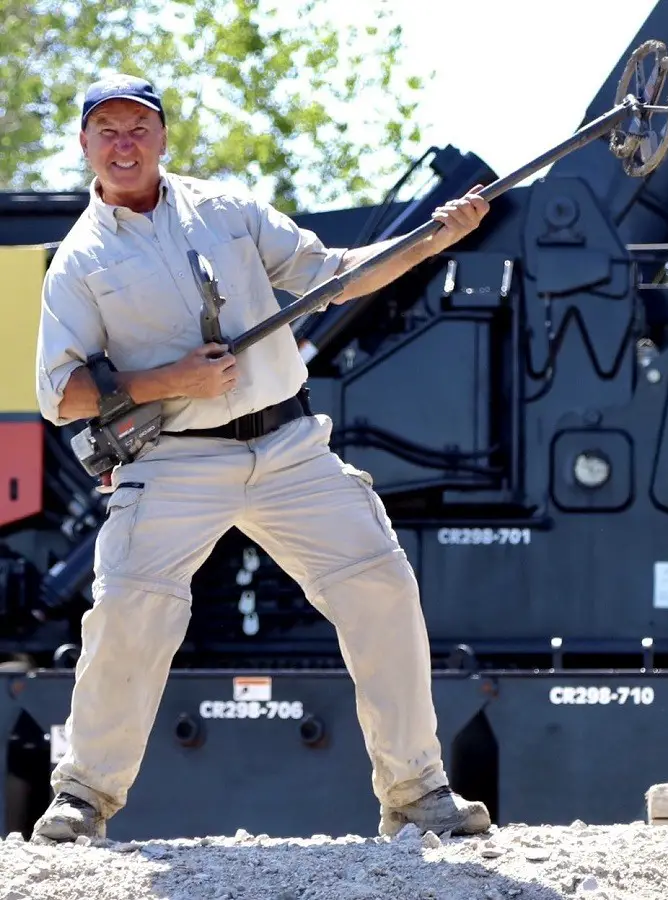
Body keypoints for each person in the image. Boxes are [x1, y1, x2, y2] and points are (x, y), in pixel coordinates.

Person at [32, 73, 492, 844]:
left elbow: (334, 277)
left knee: (380, 582)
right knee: (129, 609)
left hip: (289, 447)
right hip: (174, 462)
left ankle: (416, 793)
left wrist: (435, 238)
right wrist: (168, 380)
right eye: (106, 129)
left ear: (163, 136)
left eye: (138, 126)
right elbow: (63, 394)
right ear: (84, 144)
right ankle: (83, 796)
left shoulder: (227, 210)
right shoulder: (77, 262)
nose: (123, 143)